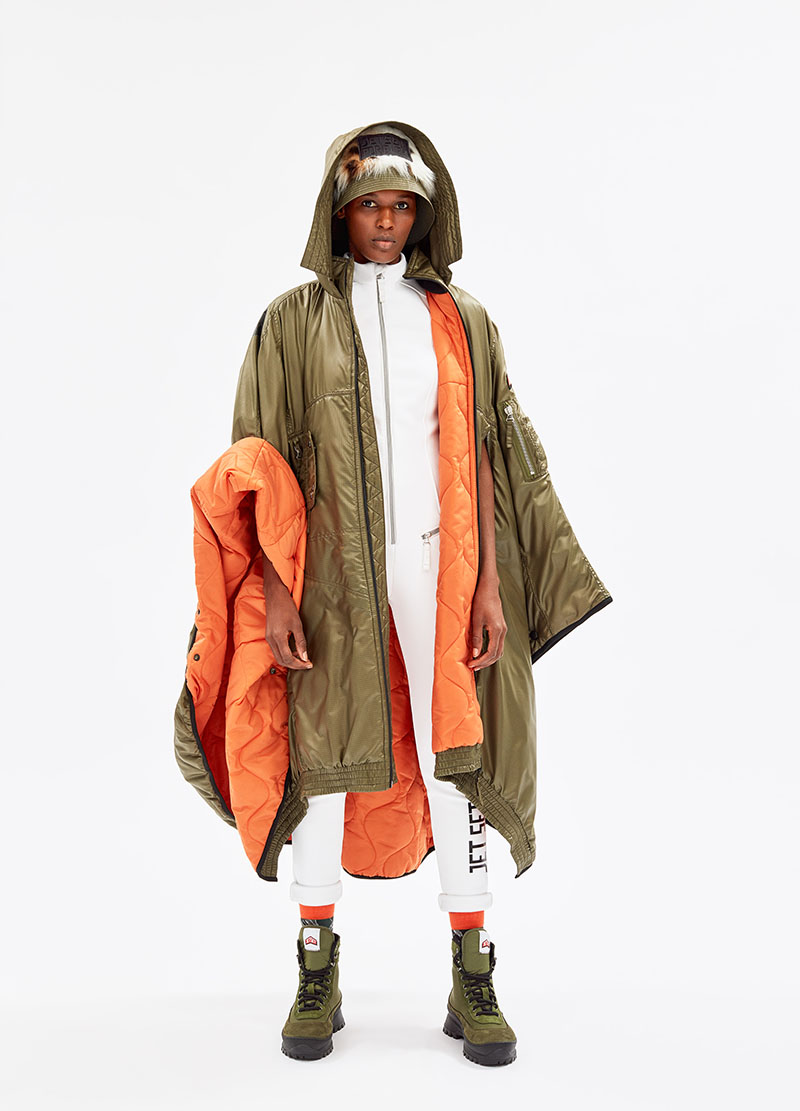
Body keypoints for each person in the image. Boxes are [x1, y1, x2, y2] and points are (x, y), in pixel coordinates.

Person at [174, 120, 612, 1068]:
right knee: (324, 759)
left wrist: (489, 584)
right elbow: (259, 462)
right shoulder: (290, 323)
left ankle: (471, 965)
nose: (385, 221)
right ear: (338, 212)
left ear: (423, 212)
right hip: (326, 583)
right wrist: (277, 595)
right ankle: (316, 963)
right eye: (369, 204)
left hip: (440, 573)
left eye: (401, 205)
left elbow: (486, 457)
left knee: (456, 751)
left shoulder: (460, 318)